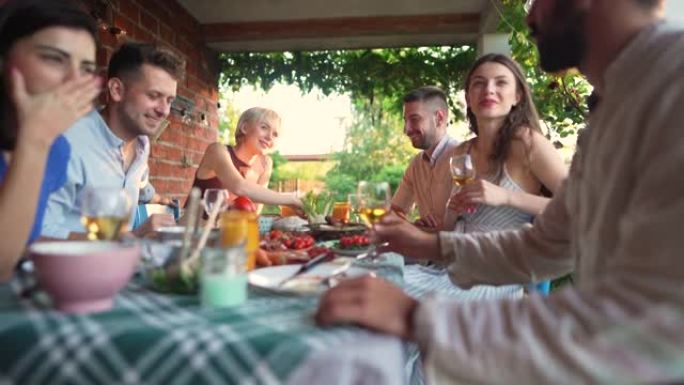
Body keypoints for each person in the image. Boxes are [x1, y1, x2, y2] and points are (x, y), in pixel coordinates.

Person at [317, 0, 684, 382]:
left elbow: (654, 328)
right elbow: (546, 244)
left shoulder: (673, 85)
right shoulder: (614, 108)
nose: (528, 17)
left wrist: (416, 317)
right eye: (477, 84)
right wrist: (430, 245)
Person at [0, 0, 101, 281]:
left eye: (86, 68)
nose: (73, 80)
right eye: (54, 58)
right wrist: (34, 140)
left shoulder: (57, 149)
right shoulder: (43, 142)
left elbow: (18, 246)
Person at [41, 42, 184, 239]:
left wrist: (158, 202)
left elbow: (139, 186)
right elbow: (34, 235)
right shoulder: (69, 142)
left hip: (118, 267)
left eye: (169, 100)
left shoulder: (142, 145)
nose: (164, 110)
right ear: (116, 90)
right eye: (154, 96)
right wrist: (130, 237)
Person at [446, 53, 567, 233]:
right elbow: (447, 227)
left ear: (517, 96)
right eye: (479, 83)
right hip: (459, 255)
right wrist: (452, 211)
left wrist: (507, 196)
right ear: (468, 99)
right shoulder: (462, 152)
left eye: (500, 82)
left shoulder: (529, 143)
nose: (489, 90)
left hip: (510, 258)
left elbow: (578, 206)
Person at [188, 107, 291, 214]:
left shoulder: (265, 164)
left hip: (230, 230)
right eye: (264, 127)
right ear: (245, 128)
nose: (270, 137)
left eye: (275, 134)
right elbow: (239, 186)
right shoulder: (218, 151)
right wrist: (291, 199)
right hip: (191, 229)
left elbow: (254, 214)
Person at [390, 86, 460, 231]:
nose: (406, 130)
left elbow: (468, 223)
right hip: (425, 250)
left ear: (439, 118)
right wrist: (414, 226)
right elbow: (395, 212)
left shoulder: (463, 159)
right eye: (405, 120)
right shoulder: (415, 165)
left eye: (414, 119)